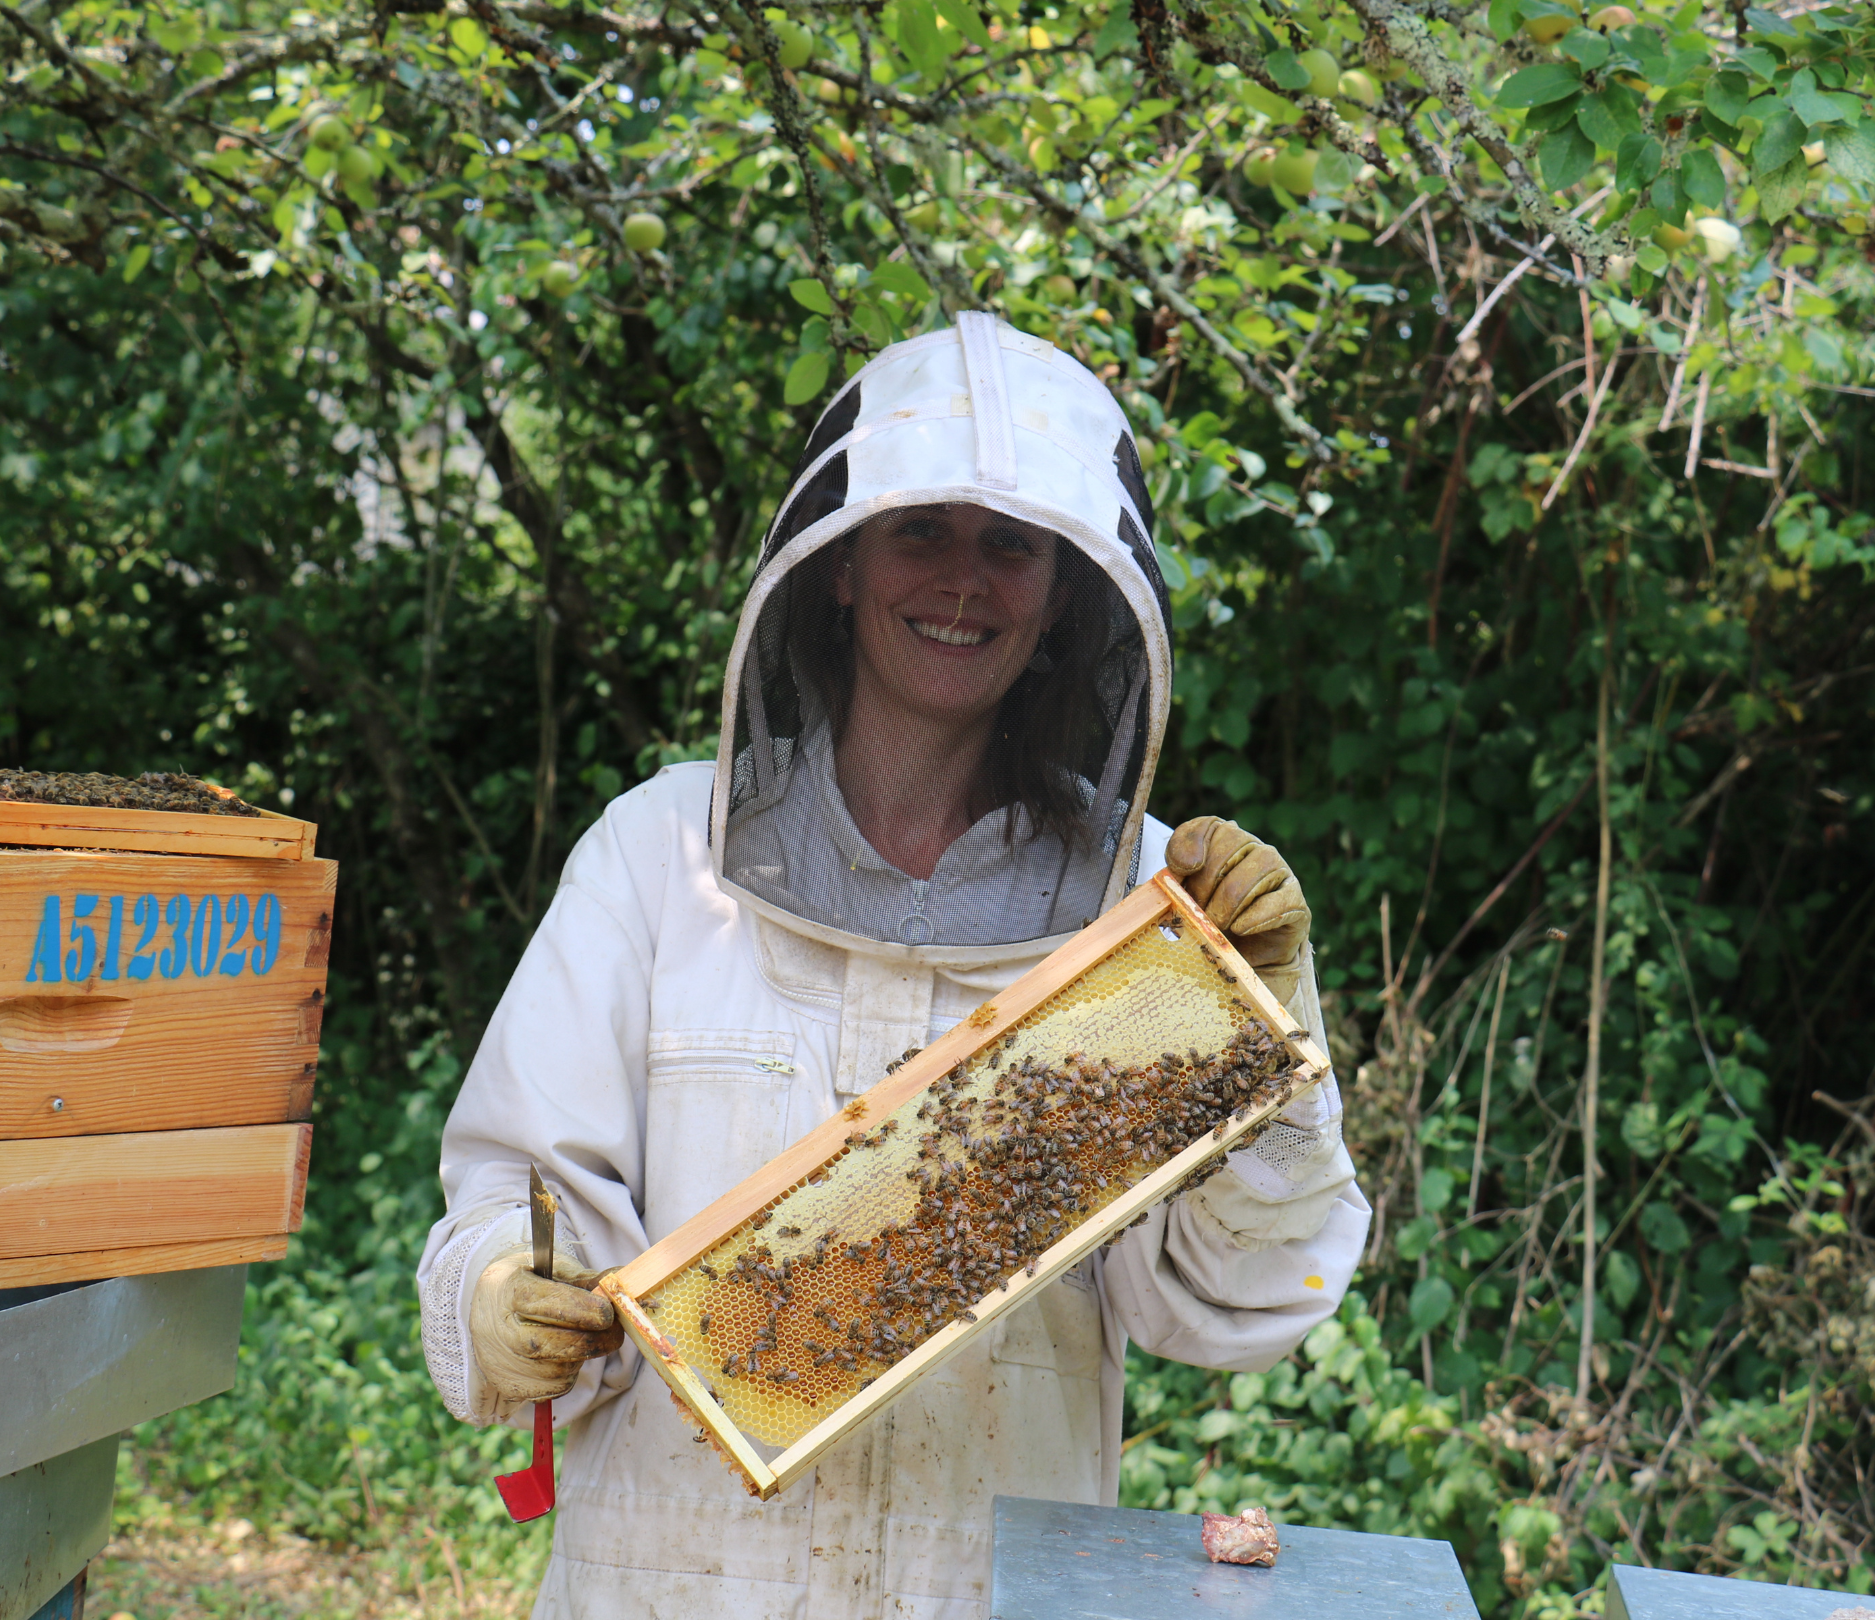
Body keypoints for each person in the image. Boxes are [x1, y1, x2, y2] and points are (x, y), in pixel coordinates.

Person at [417, 314, 1369, 1618]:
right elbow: (519, 1197)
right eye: (922, 530)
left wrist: (1259, 1017)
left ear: (1066, 593)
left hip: (978, 1586)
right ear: (842, 566)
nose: (964, 581)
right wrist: (497, 1292)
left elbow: (1235, 1300)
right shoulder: (658, 854)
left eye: (1010, 545)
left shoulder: (1150, 905)